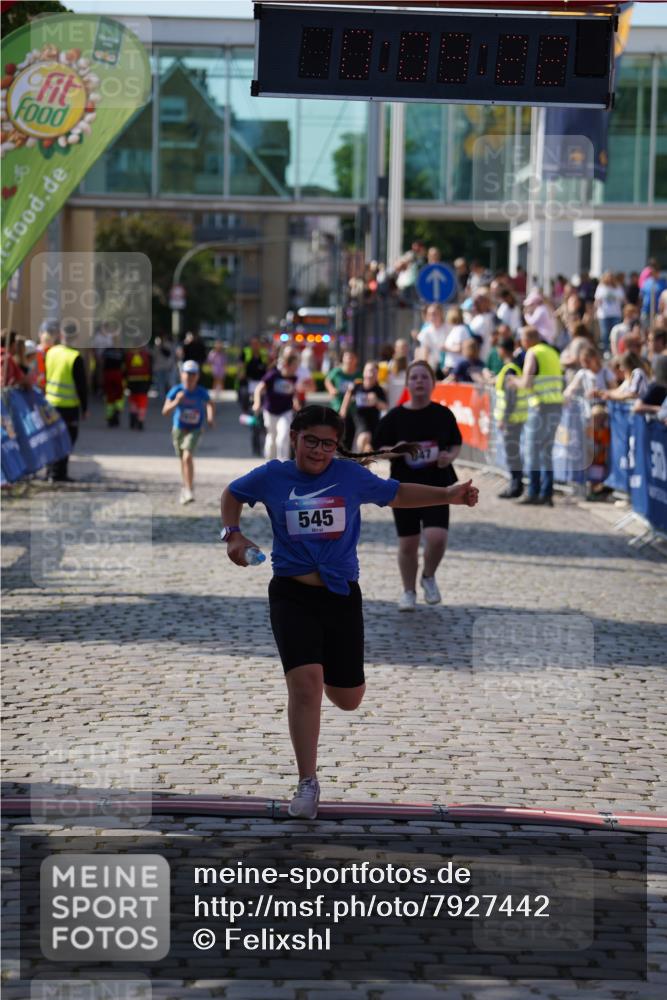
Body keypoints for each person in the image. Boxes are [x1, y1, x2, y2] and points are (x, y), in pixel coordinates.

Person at [221, 404, 478, 817]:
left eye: (328, 444)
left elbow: (397, 494)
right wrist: (233, 535)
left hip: (341, 594)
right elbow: (232, 494)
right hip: (291, 594)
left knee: (348, 698)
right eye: (311, 442)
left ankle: (325, 672)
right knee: (305, 687)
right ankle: (307, 782)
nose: (319, 451)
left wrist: (448, 495)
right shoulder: (273, 476)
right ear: (294, 438)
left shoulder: (349, 476)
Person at [372, 360, 463, 612]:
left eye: (424, 377)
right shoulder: (395, 417)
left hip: (437, 485)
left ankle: (428, 576)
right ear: (407, 383)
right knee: (408, 544)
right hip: (404, 488)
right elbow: (378, 450)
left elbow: (455, 443)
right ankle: (408, 591)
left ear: (433, 383)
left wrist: (448, 457)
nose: (419, 381)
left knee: (437, 538)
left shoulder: (443, 414)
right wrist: (396, 451)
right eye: (414, 377)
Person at [508, 326, 563, 506]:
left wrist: (514, 381)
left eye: (522, 340)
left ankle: (533, 492)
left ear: (528, 339)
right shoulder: (552, 352)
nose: (521, 344)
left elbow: (526, 382)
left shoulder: (533, 353)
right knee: (546, 452)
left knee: (532, 452)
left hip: (540, 407)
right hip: (556, 405)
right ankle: (546, 494)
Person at [564, 346, 616, 499]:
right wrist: (573, 396)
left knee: (601, 454)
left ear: (594, 358)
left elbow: (615, 390)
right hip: (588, 421)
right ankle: (589, 486)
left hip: (604, 421)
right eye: (582, 361)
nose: (584, 364)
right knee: (589, 453)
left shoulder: (605, 373)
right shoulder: (582, 374)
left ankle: (598, 486)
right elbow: (569, 390)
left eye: (587, 361)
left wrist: (602, 393)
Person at [162, 360, 214, 504]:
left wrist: (210, 417)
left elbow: (210, 403)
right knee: (183, 460)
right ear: (182, 375)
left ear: (197, 376)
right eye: (187, 374)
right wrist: (176, 402)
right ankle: (185, 487)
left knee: (187, 457)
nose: (189, 377)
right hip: (178, 429)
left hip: (195, 429)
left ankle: (189, 489)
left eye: (193, 374)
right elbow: (165, 411)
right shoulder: (176, 391)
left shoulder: (201, 391)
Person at [44, 324, 88, 483]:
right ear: (75, 337)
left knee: (52, 438)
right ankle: (59, 473)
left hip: (50, 404)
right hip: (68, 406)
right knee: (67, 439)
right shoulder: (74, 357)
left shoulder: (51, 352)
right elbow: (81, 386)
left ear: (61, 335)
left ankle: (50, 471)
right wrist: (85, 408)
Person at [494, 335, 528, 498]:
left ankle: (515, 486)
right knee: (513, 452)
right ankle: (516, 484)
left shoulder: (510, 369)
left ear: (502, 350)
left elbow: (510, 397)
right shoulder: (512, 367)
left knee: (512, 453)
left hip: (512, 419)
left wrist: (504, 418)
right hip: (515, 417)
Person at [253, 350, 301, 461]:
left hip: (285, 411)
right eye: (295, 365)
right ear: (287, 365)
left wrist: (296, 402)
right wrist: (257, 403)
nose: (296, 368)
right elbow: (259, 389)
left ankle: (283, 463)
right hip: (270, 411)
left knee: (283, 436)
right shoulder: (273, 374)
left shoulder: (294, 378)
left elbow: (293, 393)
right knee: (272, 438)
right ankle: (269, 462)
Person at [340, 360, 388, 453]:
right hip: (357, 419)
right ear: (363, 372)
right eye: (368, 371)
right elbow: (347, 399)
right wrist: (342, 415)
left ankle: (362, 458)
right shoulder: (357, 386)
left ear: (377, 374)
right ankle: (362, 458)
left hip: (372, 421)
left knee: (365, 442)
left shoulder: (379, 390)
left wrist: (376, 401)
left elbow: (385, 407)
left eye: (373, 372)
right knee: (363, 441)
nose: (370, 374)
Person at [324, 350, 362, 449]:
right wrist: (331, 389)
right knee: (336, 429)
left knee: (349, 431)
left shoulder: (358, 375)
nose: (349, 360)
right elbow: (327, 380)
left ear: (356, 360)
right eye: (347, 357)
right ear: (343, 359)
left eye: (352, 357)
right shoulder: (337, 372)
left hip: (352, 407)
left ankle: (346, 451)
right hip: (338, 404)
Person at [238, 338, 269, 457]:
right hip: (249, 389)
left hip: (262, 389)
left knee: (262, 420)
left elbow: (268, 369)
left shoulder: (264, 355)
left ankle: (262, 445)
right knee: (254, 420)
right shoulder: (246, 354)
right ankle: (256, 447)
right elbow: (241, 371)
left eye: (257, 344)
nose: (255, 346)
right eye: (253, 344)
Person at [594, 271, 625, 354]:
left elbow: (623, 299)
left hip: (616, 314)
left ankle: (614, 350)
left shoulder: (618, 287)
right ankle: (606, 350)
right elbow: (597, 300)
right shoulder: (601, 287)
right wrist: (595, 310)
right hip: (604, 314)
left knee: (615, 333)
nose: (609, 279)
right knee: (605, 333)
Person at [125, 345, 152, 430]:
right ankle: (140, 421)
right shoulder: (146, 355)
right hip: (144, 381)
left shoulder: (129, 355)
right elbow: (150, 368)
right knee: (142, 401)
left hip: (132, 380)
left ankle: (133, 418)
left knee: (133, 399)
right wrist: (150, 381)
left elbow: (126, 368)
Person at [415, 303, 448, 375]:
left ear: (441, 314)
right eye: (429, 314)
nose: (432, 316)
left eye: (434, 314)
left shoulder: (449, 328)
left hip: (448, 366)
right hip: (433, 367)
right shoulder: (425, 332)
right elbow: (424, 351)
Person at [101, 337, 126, 427]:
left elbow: (102, 361)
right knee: (119, 395)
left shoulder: (107, 350)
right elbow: (124, 364)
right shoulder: (121, 351)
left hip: (108, 374)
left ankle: (110, 416)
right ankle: (117, 410)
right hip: (118, 375)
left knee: (110, 395)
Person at [152, 335, 177, 400]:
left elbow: (170, 356)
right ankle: (162, 399)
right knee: (161, 385)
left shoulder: (168, 345)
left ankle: (168, 398)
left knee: (167, 384)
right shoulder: (156, 346)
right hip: (159, 368)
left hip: (166, 368)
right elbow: (153, 356)